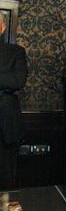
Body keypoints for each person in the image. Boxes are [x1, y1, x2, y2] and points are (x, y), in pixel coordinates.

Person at [0, 12, 28, 186]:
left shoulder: (16, 52)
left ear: (2, 27)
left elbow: (18, 81)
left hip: (5, 124)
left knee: (5, 178)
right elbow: (9, 80)